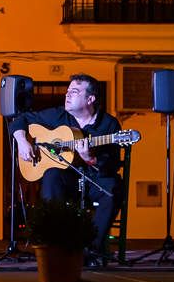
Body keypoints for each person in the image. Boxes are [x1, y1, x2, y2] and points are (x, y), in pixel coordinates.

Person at [9, 73, 123, 265]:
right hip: (68, 180)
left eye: (75, 91)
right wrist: (22, 141)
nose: (67, 95)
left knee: (113, 189)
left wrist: (91, 159)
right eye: (68, 91)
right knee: (52, 175)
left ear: (90, 98)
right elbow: (19, 120)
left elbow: (111, 165)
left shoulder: (109, 125)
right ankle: (55, 245)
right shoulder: (58, 115)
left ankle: (89, 250)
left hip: (94, 180)